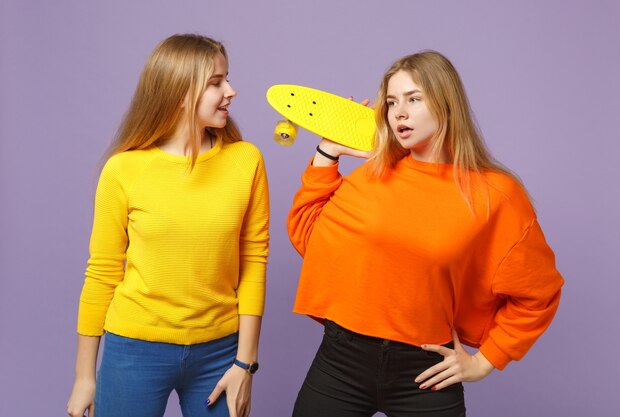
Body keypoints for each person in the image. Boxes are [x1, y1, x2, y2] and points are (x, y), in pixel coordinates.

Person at [287, 51, 563, 417]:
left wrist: (485, 361)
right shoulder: (373, 175)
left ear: (446, 104)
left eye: (414, 99)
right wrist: (327, 151)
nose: (399, 112)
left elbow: (538, 291)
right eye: (391, 102)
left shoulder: (495, 195)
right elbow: (310, 235)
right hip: (341, 361)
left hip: (425, 372)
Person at [66, 34, 269, 417]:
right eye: (216, 82)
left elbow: (253, 262)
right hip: (134, 349)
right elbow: (102, 272)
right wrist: (84, 378)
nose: (231, 91)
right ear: (178, 92)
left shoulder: (246, 161)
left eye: (226, 78)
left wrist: (245, 364)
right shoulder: (123, 169)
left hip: (220, 352)